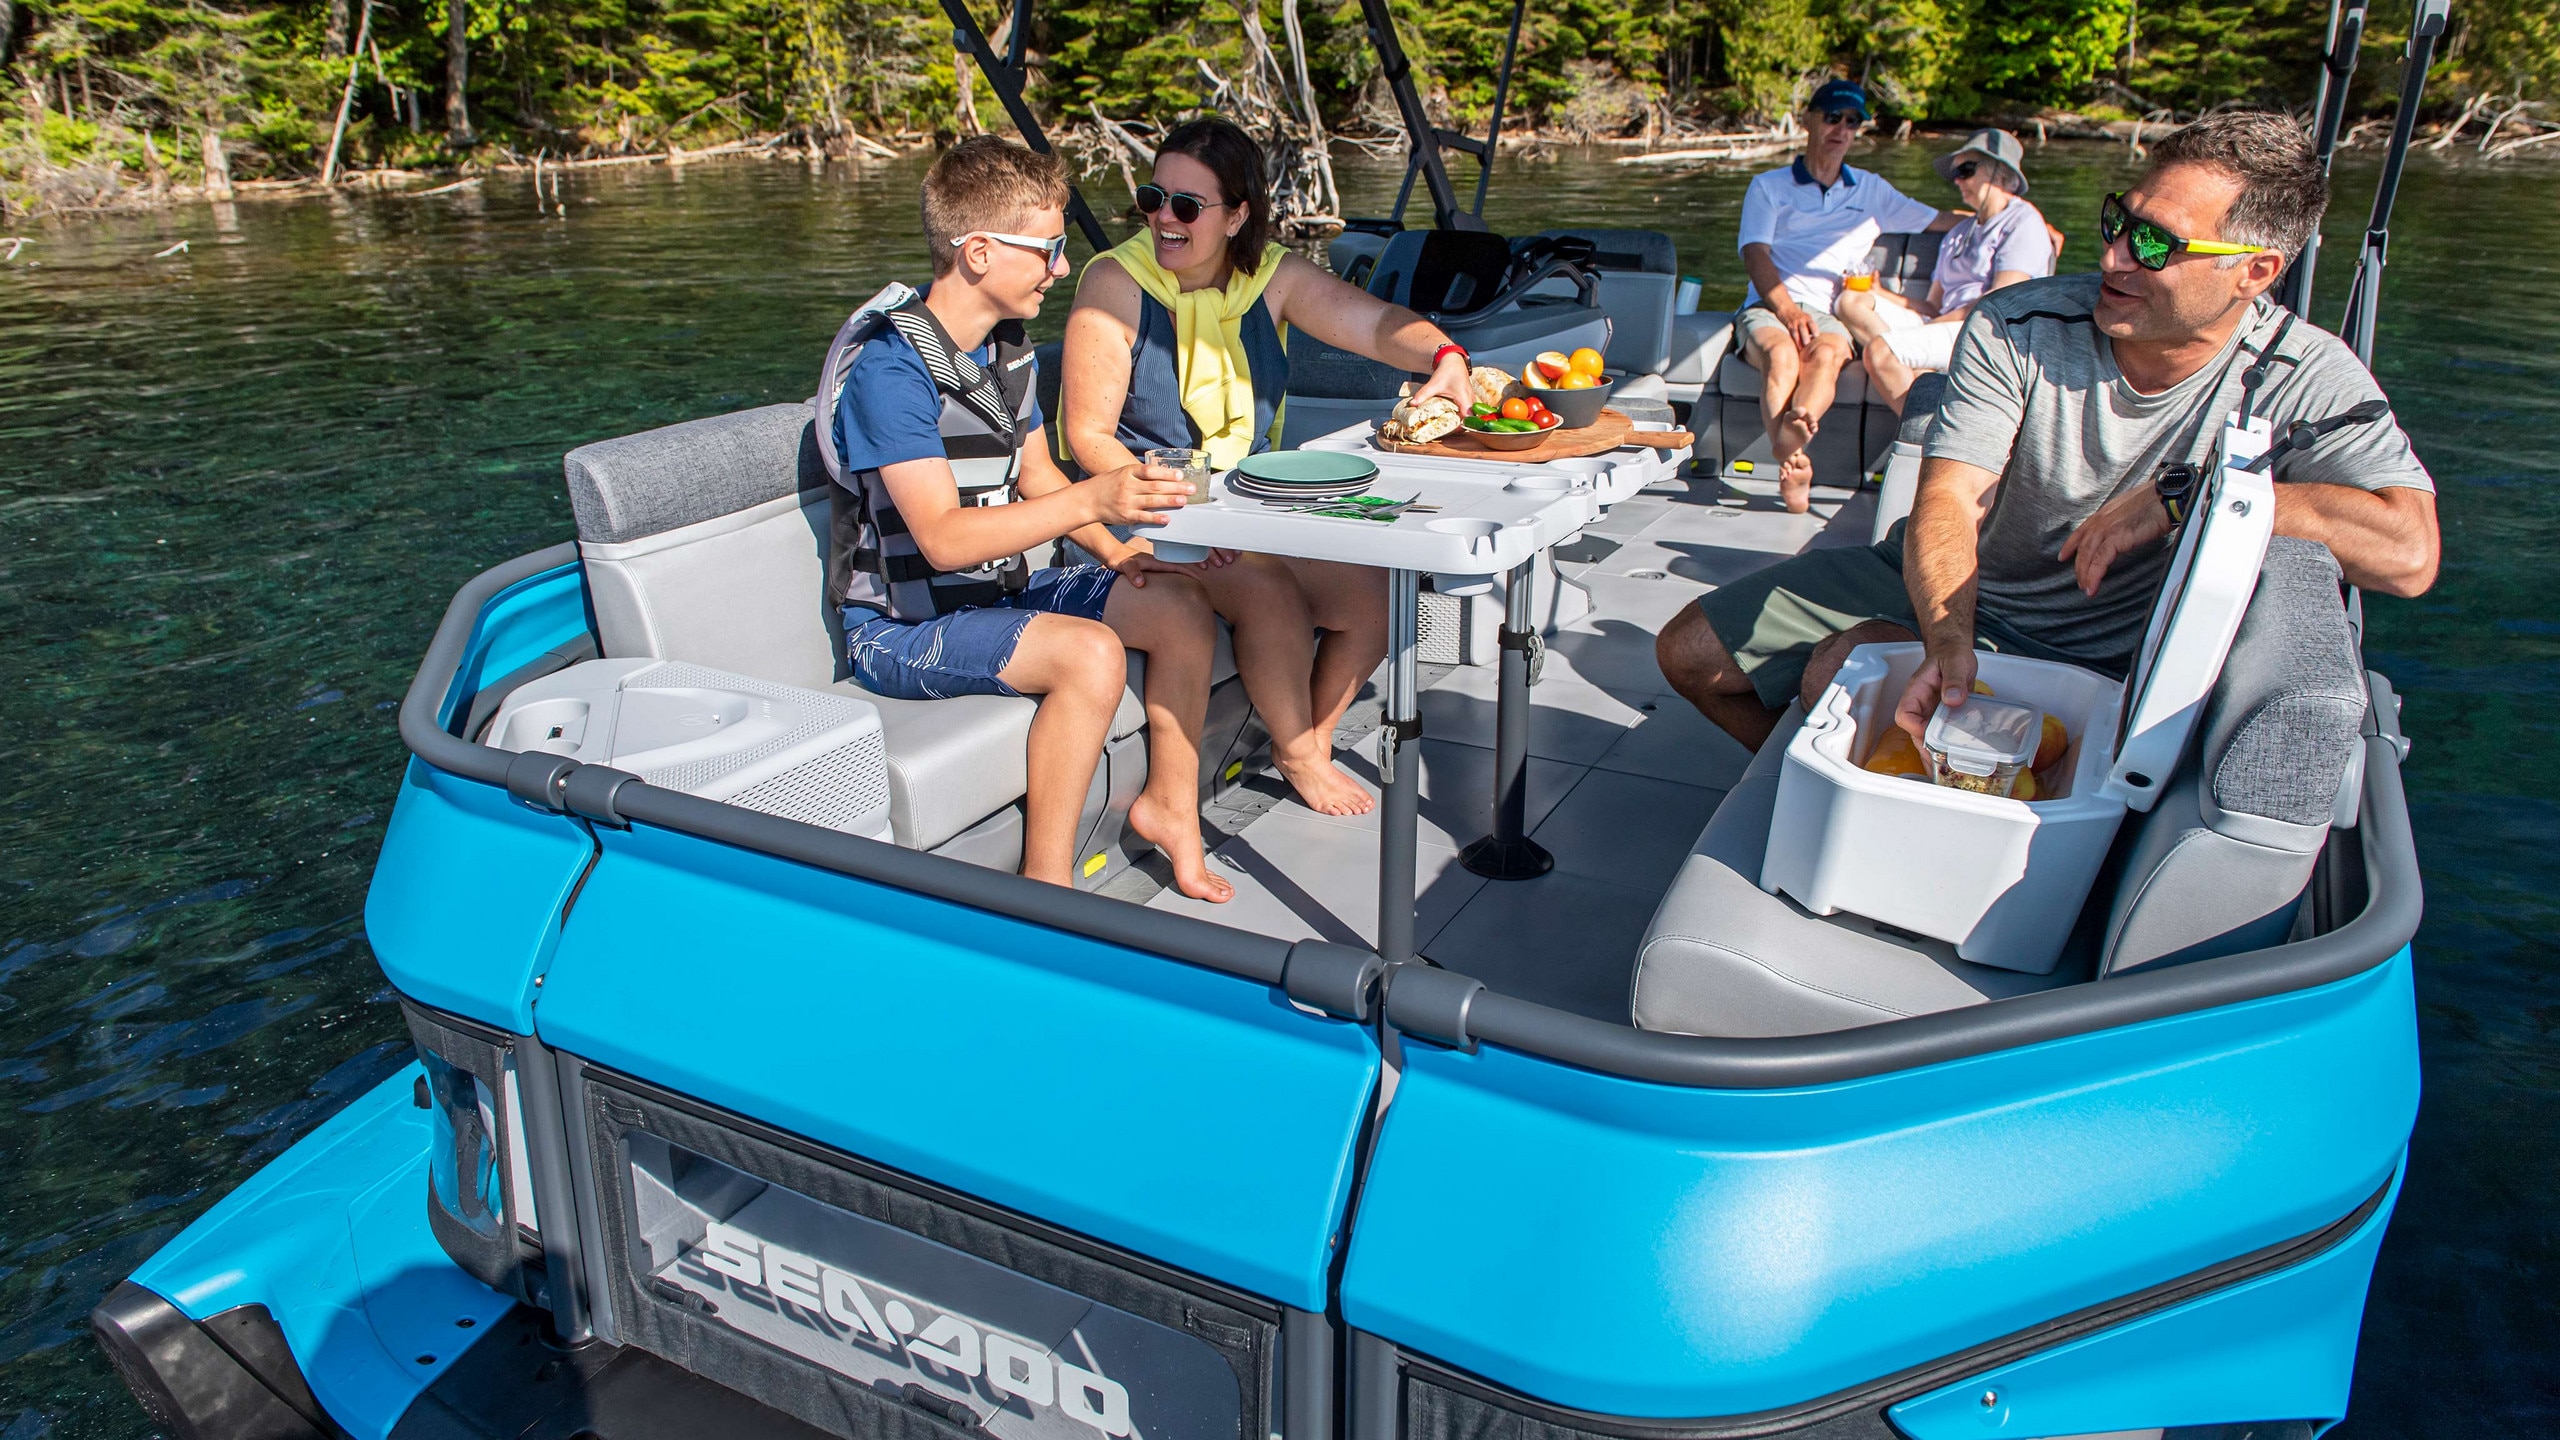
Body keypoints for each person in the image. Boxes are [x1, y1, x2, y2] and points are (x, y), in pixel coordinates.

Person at [1657, 109, 2440, 753]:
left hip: (2090, 649)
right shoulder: (2019, 324)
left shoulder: (2302, 372)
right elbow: (1949, 501)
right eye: (2118, 220)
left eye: (2156, 244)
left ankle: (1868, 801)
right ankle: (1812, 778)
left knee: (1838, 667)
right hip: (1943, 579)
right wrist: (1946, 641)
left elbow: (2409, 555)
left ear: (2255, 272)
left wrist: (2194, 496)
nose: (2112, 256)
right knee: (1686, 653)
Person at [818, 137, 1232, 901]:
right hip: (900, 629)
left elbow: (1036, 474)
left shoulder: (1007, 348)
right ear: (978, 252)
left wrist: (1118, 555)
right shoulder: (892, 371)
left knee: (1177, 605)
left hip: (997, 598)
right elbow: (941, 539)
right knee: (1090, 655)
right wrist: (1093, 499)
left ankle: (1172, 808)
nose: (1062, 269)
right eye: (1047, 250)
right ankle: (1047, 887)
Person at [1057, 116, 1476, 817]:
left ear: (1237, 215)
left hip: (1244, 508)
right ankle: (1302, 754)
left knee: (1373, 597)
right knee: (1267, 589)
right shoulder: (1113, 283)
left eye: (1186, 207)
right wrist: (1193, 510)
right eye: (1152, 198)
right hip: (1143, 513)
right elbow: (1090, 437)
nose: (1164, 218)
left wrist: (1447, 357)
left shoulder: (1271, 278)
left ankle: (1301, 736)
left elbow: (1374, 325)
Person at [1734, 78, 1957, 513]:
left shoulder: (1872, 191)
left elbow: (1939, 219)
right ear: (1808, 121)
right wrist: (1786, 309)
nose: (1841, 129)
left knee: (1829, 354)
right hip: (1769, 304)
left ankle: (1792, 437)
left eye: (1852, 122)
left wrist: (2015, 219)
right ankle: (1792, 455)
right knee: (1781, 355)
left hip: (1828, 313)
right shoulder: (1769, 186)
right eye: (1832, 117)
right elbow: (1755, 253)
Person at [1836, 128, 2054, 414]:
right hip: (1944, 325)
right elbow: (1932, 305)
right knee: (1850, 301)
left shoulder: (2023, 222)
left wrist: (1932, 328)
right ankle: (1916, 370)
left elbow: (2001, 302)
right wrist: (1881, 294)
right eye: (1955, 174)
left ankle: (1926, 439)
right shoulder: (1959, 232)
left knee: (1881, 351)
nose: (1958, 180)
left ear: (2000, 173)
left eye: (1966, 170)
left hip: (1986, 331)